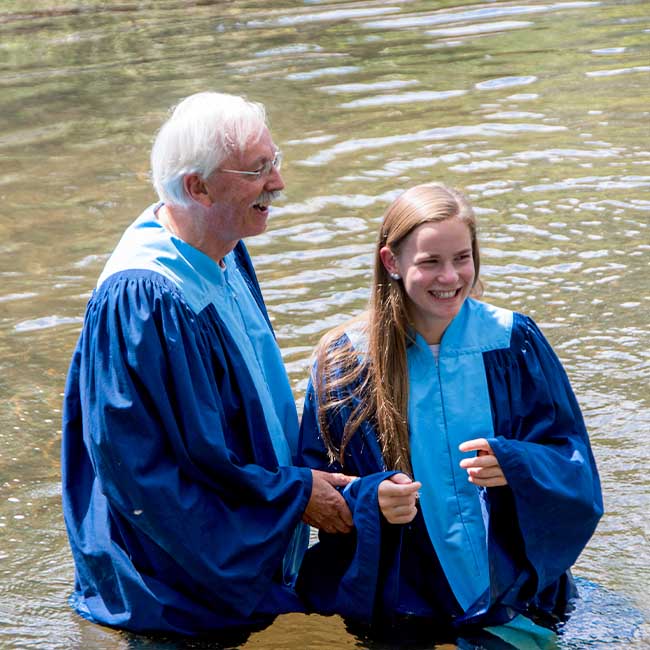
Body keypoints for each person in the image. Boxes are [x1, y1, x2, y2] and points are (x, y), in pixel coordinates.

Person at [61, 91, 354, 637]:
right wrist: (291, 496)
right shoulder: (143, 299)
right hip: (172, 589)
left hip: (240, 548)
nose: (279, 183)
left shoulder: (223, 245)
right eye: (257, 170)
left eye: (276, 161)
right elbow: (145, 477)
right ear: (196, 187)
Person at [297, 182, 603, 644]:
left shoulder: (513, 341)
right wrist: (370, 498)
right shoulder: (345, 362)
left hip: (512, 596)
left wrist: (518, 466)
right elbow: (315, 487)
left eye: (462, 257)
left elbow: (574, 464)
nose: (450, 277)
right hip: (405, 599)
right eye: (430, 262)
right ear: (391, 263)